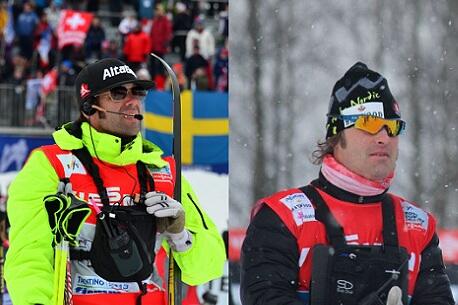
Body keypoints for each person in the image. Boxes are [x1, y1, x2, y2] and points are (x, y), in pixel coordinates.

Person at [4, 58, 226, 305]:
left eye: (138, 91)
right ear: (90, 107)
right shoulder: (51, 165)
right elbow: (29, 256)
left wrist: (181, 235)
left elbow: (209, 268)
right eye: (118, 93)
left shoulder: (164, 172)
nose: (133, 101)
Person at [240, 62, 454, 305]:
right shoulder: (283, 218)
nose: (384, 137)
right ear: (336, 134)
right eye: (369, 124)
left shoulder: (418, 227)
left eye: (393, 126)